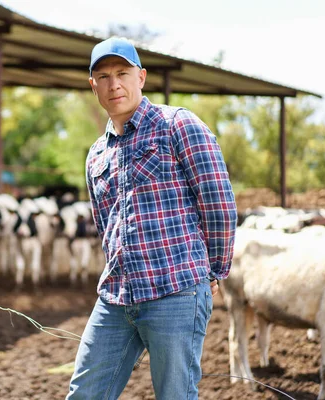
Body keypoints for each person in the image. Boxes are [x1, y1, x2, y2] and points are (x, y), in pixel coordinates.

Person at [66, 37, 237, 400]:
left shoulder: (178, 125)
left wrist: (214, 272)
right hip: (116, 297)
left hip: (174, 292)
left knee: (175, 395)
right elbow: (104, 225)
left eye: (123, 73)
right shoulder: (96, 154)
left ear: (141, 77)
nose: (114, 84)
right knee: (84, 394)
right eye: (104, 76)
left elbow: (219, 203)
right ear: (92, 85)